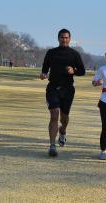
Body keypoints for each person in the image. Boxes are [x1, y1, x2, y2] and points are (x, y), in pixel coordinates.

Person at [40, 28, 85, 157]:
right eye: (62, 37)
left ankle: (63, 131)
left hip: (68, 89)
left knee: (64, 118)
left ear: (70, 39)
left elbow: (82, 71)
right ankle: (52, 146)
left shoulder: (74, 54)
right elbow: (45, 67)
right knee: (54, 114)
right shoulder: (51, 52)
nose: (64, 39)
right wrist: (43, 73)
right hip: (53, 87)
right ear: (58, 38)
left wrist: (74, 71)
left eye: (66, 37)